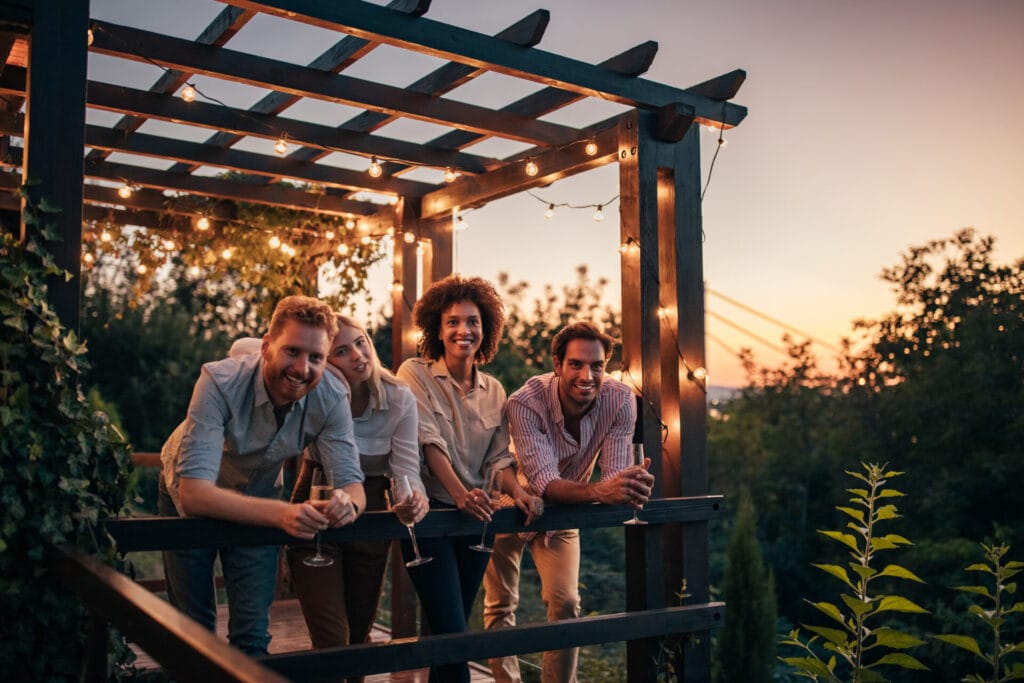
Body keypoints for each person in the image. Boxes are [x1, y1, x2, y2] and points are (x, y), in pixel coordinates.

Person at [158, 295, 365, 656]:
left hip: (261, 497)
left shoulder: (331, 398)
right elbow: (195, 495)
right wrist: (283, 515)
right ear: (267, 346)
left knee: (252, 637)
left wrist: (349, 505)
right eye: (292, 352)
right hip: (187, 493)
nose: (303, 368)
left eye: (316, 357)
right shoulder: (219, 382)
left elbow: (353, 485)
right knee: (193, 633)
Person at [483, 322, 655, 683]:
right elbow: (544, 482)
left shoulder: (621, 399)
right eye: (576, 364)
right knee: (500, 604)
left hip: (563, 513)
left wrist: (632, 486)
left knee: (566, 604)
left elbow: (614, 477)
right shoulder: (524, 402)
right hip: (506, 504)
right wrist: (600, 491)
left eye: (597, 366)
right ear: (557, 365)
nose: (587, 375)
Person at [396, 275, 539, 683]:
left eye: (473, 321)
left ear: (486, 328)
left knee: (448, 633)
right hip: (431, 517)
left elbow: (498, 458)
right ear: (437, 330)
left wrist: (518, 492)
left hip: (478, 522)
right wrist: (459, 494)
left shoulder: (495, 390)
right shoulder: (414, 374)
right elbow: (428, 441)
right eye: (453, 321)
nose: (464, 330)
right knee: (454, 634)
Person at [285, 315, 428, 665]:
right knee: (332, 638)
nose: (359, 356)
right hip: (317, 495)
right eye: (342, 351)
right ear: (325, 360)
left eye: (361, 342)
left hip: (374, 510)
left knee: (360, 635)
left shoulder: (399, 398)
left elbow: (407, 471)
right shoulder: (314, 394)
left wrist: (413, 501)